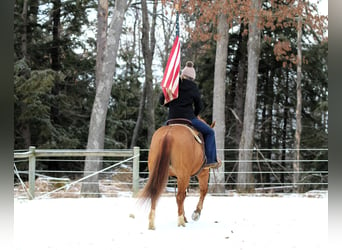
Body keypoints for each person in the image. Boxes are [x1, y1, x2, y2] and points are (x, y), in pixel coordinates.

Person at [159, 61, 221, 169]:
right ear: (193, 78)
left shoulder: (173, 84)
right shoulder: (193, 87)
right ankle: (210, 160)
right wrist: (195, 114)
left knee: (160, 136)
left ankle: (157, 159)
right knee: (210, 132)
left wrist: (172, 106)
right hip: (188, 118)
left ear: (183, 74)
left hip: (171, 119)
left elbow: (161, 101)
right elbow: (199, 106)